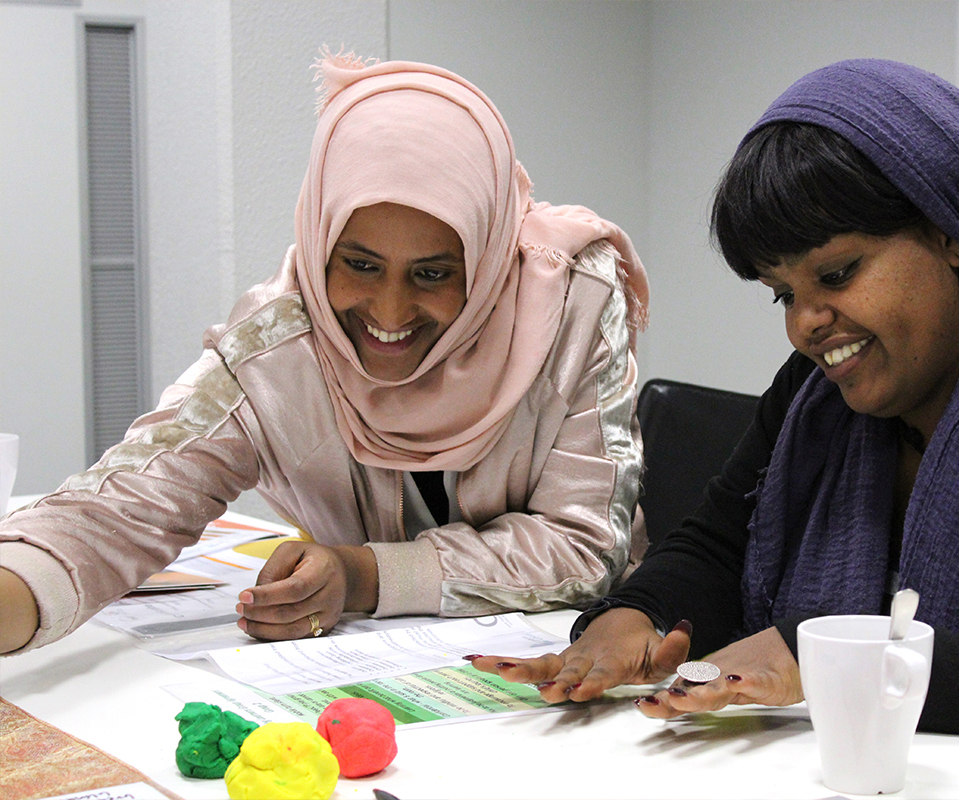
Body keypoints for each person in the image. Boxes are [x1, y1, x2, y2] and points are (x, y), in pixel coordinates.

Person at [471, 59, 959, 782]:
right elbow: (718, 544)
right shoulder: (817, 395)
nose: (806, 325)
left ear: (952, 234)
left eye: (838, 273)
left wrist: (825, 659)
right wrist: (637, 615)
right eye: (782, 293)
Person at [0, 52, 649, 655]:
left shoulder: (572, 309)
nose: (389, 314)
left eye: (432, 274)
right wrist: (18, 587)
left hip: (581, 658)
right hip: (359, 668)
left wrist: (364, 575)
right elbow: (130, 502)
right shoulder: (278, 347)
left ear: (483, 258)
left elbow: (583, 547)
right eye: (360, 265)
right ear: (319, 244)